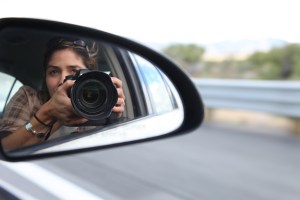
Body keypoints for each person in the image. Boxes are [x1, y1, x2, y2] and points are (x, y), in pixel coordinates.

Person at [0, 37, 125, 151]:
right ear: (45, 77)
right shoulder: (29, 97)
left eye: (74, 71)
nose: (62, 81)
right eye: (54, 72)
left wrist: (112, 117)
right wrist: (48, 114)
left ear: (88, 76)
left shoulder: (99, 107)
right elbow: (5, 148)